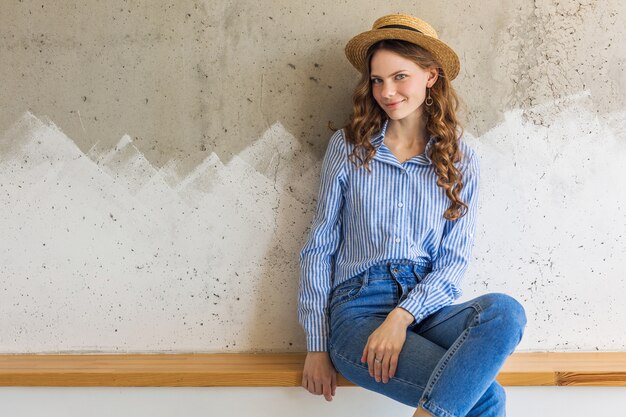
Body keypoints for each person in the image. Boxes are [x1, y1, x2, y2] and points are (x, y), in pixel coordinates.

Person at [297, 13, 527, 417]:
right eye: (377, 79)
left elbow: (453, 262)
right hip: (357, 313)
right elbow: (319, 248)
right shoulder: (349, 148)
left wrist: (402, 318)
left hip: (426, 311)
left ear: (430, 76)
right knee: (487, 399)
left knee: (505, 312)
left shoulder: (459, 159)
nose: (387, 91)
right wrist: (317, 345)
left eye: (400, 76)